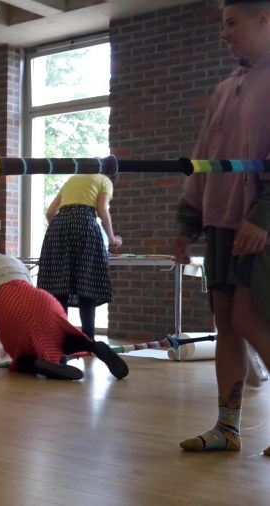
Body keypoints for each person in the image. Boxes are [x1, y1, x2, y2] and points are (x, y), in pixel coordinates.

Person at [175, 0, 270, 453]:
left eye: (232, 23)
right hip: (220, 222)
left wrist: (262, 215)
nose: (224, 34)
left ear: (264, 19)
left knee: (251, 319)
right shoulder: (224, 89)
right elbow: (203, 158)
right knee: (226, 325)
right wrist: (186, 222)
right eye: (223, 24)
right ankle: (227, 428)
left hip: (259, 224)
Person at [0, 230, 129, 380]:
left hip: (9, 310)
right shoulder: (12, 261)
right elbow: (24, 292)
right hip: (43, 301)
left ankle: (39, 365)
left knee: (20, 361)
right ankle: (93, 346)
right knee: (60, 335)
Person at [37, 174, 122, 340]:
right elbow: (102, 210)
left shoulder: (73, 180)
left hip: (58, 225)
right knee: (87, 282)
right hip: (84, 224)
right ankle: (88, 340)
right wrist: (113, 239)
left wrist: (61, 228)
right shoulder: (105, 181)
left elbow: (50, 213)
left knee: (59, 285)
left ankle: (61, 338)